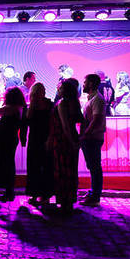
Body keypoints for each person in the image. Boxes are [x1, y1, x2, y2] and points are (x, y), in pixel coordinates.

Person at [50, 78, 84, 215]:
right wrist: (79, 138)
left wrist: (72, 141)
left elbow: (64, 126)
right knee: (71, 171)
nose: (59, 90)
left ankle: (63, 201)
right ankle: (69, 201)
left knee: (62, 171)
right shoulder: (74, 103)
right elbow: (82, 121)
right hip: (72, 138)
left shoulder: (62, 104)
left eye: (61, 88)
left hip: (62, 140)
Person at [0, 86, 26, 202]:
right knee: (9, 164)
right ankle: (9, 191)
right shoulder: (20, 108)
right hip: (11, 138)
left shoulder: (10, 108)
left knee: (5, 164)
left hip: (5, 139)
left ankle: (9, 192)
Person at [23, 82, 53, 207]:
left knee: (39, 167)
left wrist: (23, 137)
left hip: (38, 139)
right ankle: (41, 195)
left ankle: (39, 195)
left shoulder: (36, 106)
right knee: (40, 167)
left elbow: (25, 124)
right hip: (38, 139)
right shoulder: (45, 105)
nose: (43, 92)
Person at [79, 74, 106, 207]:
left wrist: (85, 134)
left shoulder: (97, 99)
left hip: (93, 138)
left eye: (85, 82)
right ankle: (93, 192)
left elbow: (96, 120)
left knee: (95, 167)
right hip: (90, 138)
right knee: (93, 166)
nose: (83, 85)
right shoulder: (92, 98)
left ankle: (95, 196)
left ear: (91, 84)